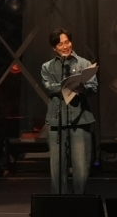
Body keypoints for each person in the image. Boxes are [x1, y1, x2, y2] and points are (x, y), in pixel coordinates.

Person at [39, 28, 97, 194]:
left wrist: (82, 87)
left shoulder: (84, 63)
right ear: (54, 48)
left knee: (81, 167)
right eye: (60, 44)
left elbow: (93, 87)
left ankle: (78, 200)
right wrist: (68, 85)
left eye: (67, 42)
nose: (65, 46)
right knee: (57, 168)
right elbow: (49, 87)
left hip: (80, 119)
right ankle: (59, 201)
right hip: (56, 121)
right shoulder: (47, 67)